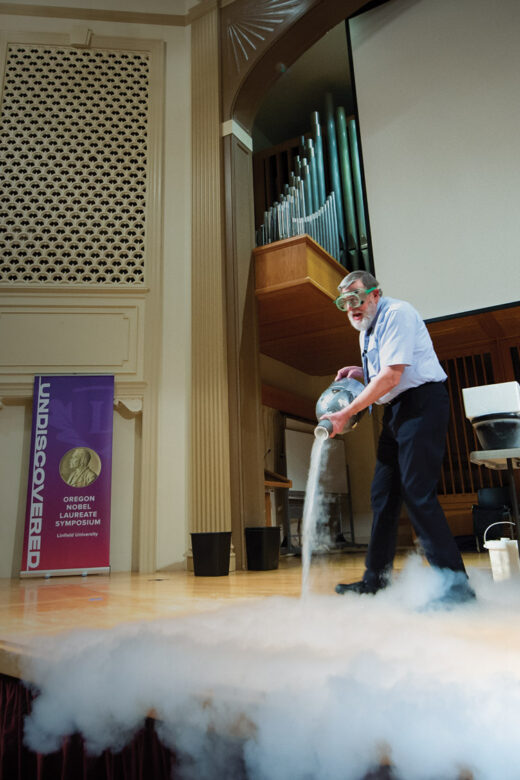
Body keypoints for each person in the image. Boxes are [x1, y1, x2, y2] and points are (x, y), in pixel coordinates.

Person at [320, 270, 475, 605]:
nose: (351, 306)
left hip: (422, 404)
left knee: (417, 492)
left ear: (375, 294)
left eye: (357, 297)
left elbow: (392, 376)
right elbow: (382, 372)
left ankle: (456, 588)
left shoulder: (397, 313)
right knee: (383, 496)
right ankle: (376, 580)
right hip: (395, 412)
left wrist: (346, 413)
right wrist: (360, 372)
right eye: (344, 301)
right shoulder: (366, 330)